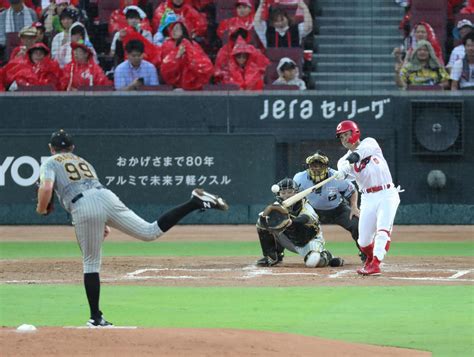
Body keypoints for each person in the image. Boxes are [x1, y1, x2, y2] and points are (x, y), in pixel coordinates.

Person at [36, 129, 229, 326]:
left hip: (83, 205)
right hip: (106, 196)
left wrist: (41, 209)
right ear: (72, 148)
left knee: (91, 264)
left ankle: (96, 318)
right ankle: (194, 203)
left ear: (51, 148)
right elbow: (90, 192)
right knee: (149, 231)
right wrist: (100, 222)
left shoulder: (50, 162)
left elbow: (46, 188)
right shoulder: (83, 161)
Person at [333, 120, 401, 276]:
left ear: (355, 132)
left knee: (383, 230)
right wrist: (341, 172)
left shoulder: (370, 143)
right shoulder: (342, 161)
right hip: (368, 197)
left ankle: (376, 264)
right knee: (363, 241)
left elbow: (359, 154)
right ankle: (370, 259)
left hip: (387, 193)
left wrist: (347, 164)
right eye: (341, 136)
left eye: (346, 134)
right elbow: (345, 170)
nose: (344, 139)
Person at [255, 178, 344, 268]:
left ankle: (327, 255)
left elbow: (306, 218)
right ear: (279, 194)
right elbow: (264, 220)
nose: (287, 195)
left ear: (297, 192)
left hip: (308, 240)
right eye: (283, 193)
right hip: (289, 240)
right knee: (261, 223)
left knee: (312, 262)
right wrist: (264, 220)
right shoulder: (277, 206)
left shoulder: (304, 205)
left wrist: (291, 222)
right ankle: (273, 256)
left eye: (290, 192)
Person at [293, 151, 365, 261]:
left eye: (320, 165)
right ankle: (275, 255)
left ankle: (365, 252)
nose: (316, 168)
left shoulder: (337, 177)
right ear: (308, 166)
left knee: (356, 224)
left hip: (338, 210)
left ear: (326, 166)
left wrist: (354, 208)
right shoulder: (299, 178)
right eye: (313, 165)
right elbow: (294, 196)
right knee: (289, 224)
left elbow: (352, 191)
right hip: (312, 211)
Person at [160, 20, 213, 90]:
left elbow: (204, 64)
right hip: (175, 85)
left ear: (183, 31)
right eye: (173, 29)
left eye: (177, 29)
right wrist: (177, 57)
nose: (174, 31)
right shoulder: (167, 45)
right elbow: (165, 68)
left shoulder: (193, 44)